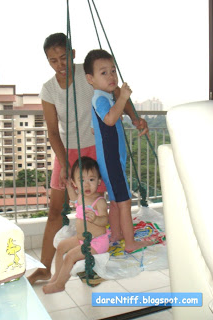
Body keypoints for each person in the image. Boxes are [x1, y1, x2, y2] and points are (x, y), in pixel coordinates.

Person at [27, 33, 149, 285]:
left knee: (100, 205)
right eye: (53, 61)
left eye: (63, 58)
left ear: (72, 53)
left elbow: (117, 95)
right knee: (55, 209)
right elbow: (52, 130)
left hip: (95, 149)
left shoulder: (92, 73)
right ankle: (45, 268)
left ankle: (93, 264)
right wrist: (63, 165)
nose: (60, 65)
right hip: (67, 151)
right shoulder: (49, 89)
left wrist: (135, 118)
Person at [84, 49, 153, 253]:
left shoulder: (103, 98)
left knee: (115, 201)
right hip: (111, 160)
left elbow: (94, 127)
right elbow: (110, 119)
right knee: (124, 202)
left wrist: (121, 103)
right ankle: (130, 244)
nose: (111, 76)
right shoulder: (101, 99)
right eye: (103, 72)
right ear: (91, 79)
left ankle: (116, 234)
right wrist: (123, 97)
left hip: (112, 159)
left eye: (113, 71)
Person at [42, 156, 109, 294]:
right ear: (75, 183)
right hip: (82, 239)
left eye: (91, 179)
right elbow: (73, 198)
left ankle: (60, 284)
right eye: (81, 180)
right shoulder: (81, 196)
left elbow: (105, 221)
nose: (86, 185)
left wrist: (96, 219)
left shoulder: (99, 201)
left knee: (70, 256)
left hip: (96, 242)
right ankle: (56, 276)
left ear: (99, 181)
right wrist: (67, 186)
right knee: (61, 247)